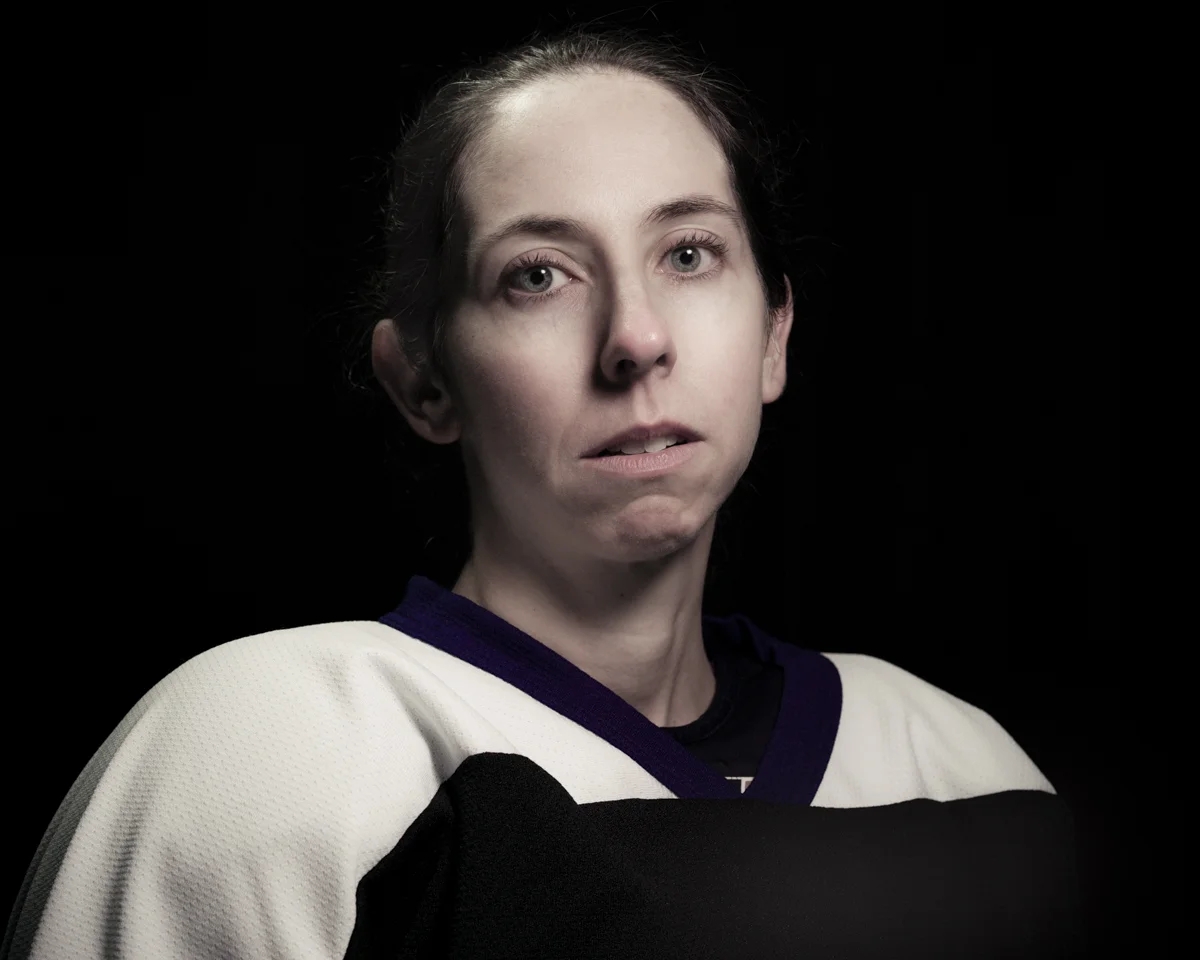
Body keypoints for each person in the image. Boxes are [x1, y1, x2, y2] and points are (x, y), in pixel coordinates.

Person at [3, 22, 1087, 960]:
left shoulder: (960, 764)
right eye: (538, 275)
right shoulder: (267, 748)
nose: (635, 338)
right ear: (423, 380)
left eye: (691, 252)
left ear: (774, 333)